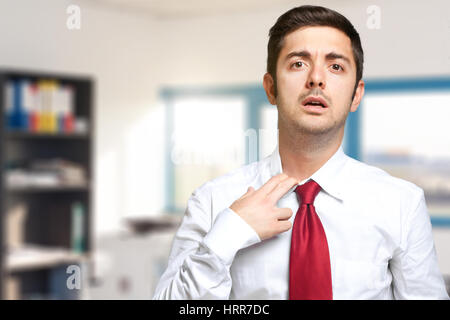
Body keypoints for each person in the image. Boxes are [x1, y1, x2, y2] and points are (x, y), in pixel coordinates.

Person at [153, 5, 449, 300]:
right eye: (298, 64)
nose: (316, 79)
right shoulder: (212, 201)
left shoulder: (402, 204)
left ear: (356, 94)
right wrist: (227, 235)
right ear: (271, 88)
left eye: (336, 67)